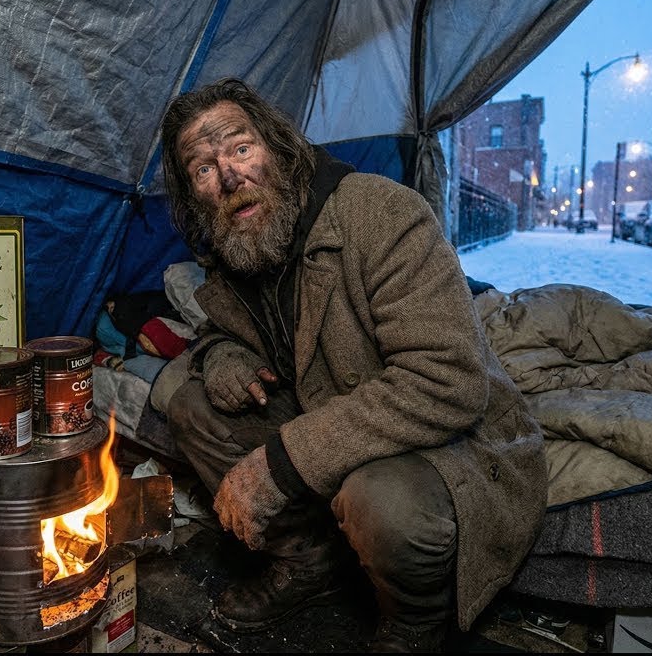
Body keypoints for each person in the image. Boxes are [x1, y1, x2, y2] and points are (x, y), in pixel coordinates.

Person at [158, 76, 549, 652]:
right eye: (204, 168)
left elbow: (448, 382)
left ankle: (415, 623)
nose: (230, 176)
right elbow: (220, 333)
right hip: (339, 417)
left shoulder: (380, 213)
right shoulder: (240, 247)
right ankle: (310, 564)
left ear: (282, 149)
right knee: (192, 404)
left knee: (378, 499)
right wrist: (225, 357)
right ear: (196, 195)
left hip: (443, 438)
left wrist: (283, 463)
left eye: (241, 148)